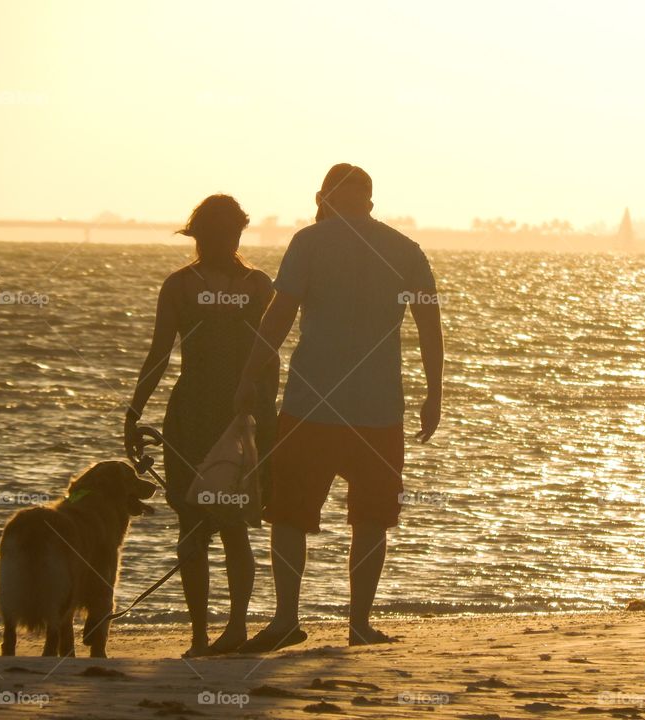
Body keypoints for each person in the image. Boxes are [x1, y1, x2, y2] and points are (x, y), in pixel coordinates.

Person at [234, 164, 444, 651]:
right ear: (369, 201)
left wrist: (247, 377)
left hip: (311, 405)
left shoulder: (309, 242)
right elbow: (429, 326)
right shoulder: (405, 249)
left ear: (324, 199)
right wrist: (434, 393)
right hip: (379, 410)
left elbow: (279, 316)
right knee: (371, 518)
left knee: (289, 515)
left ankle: (286, 620)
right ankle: (359, 625)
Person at [124, 194, 278, 657]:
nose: (219, 243)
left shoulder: (238, 285)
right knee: (208, 523)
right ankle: (208, 633)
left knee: (220, 524)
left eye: (224, 235)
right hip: (210, 414)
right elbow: (159, 355)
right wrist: (134, 412)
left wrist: (262, 417)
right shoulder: (229, 286)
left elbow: (268, 357)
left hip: (226, 415)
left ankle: (223, 632)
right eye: (216, 235)